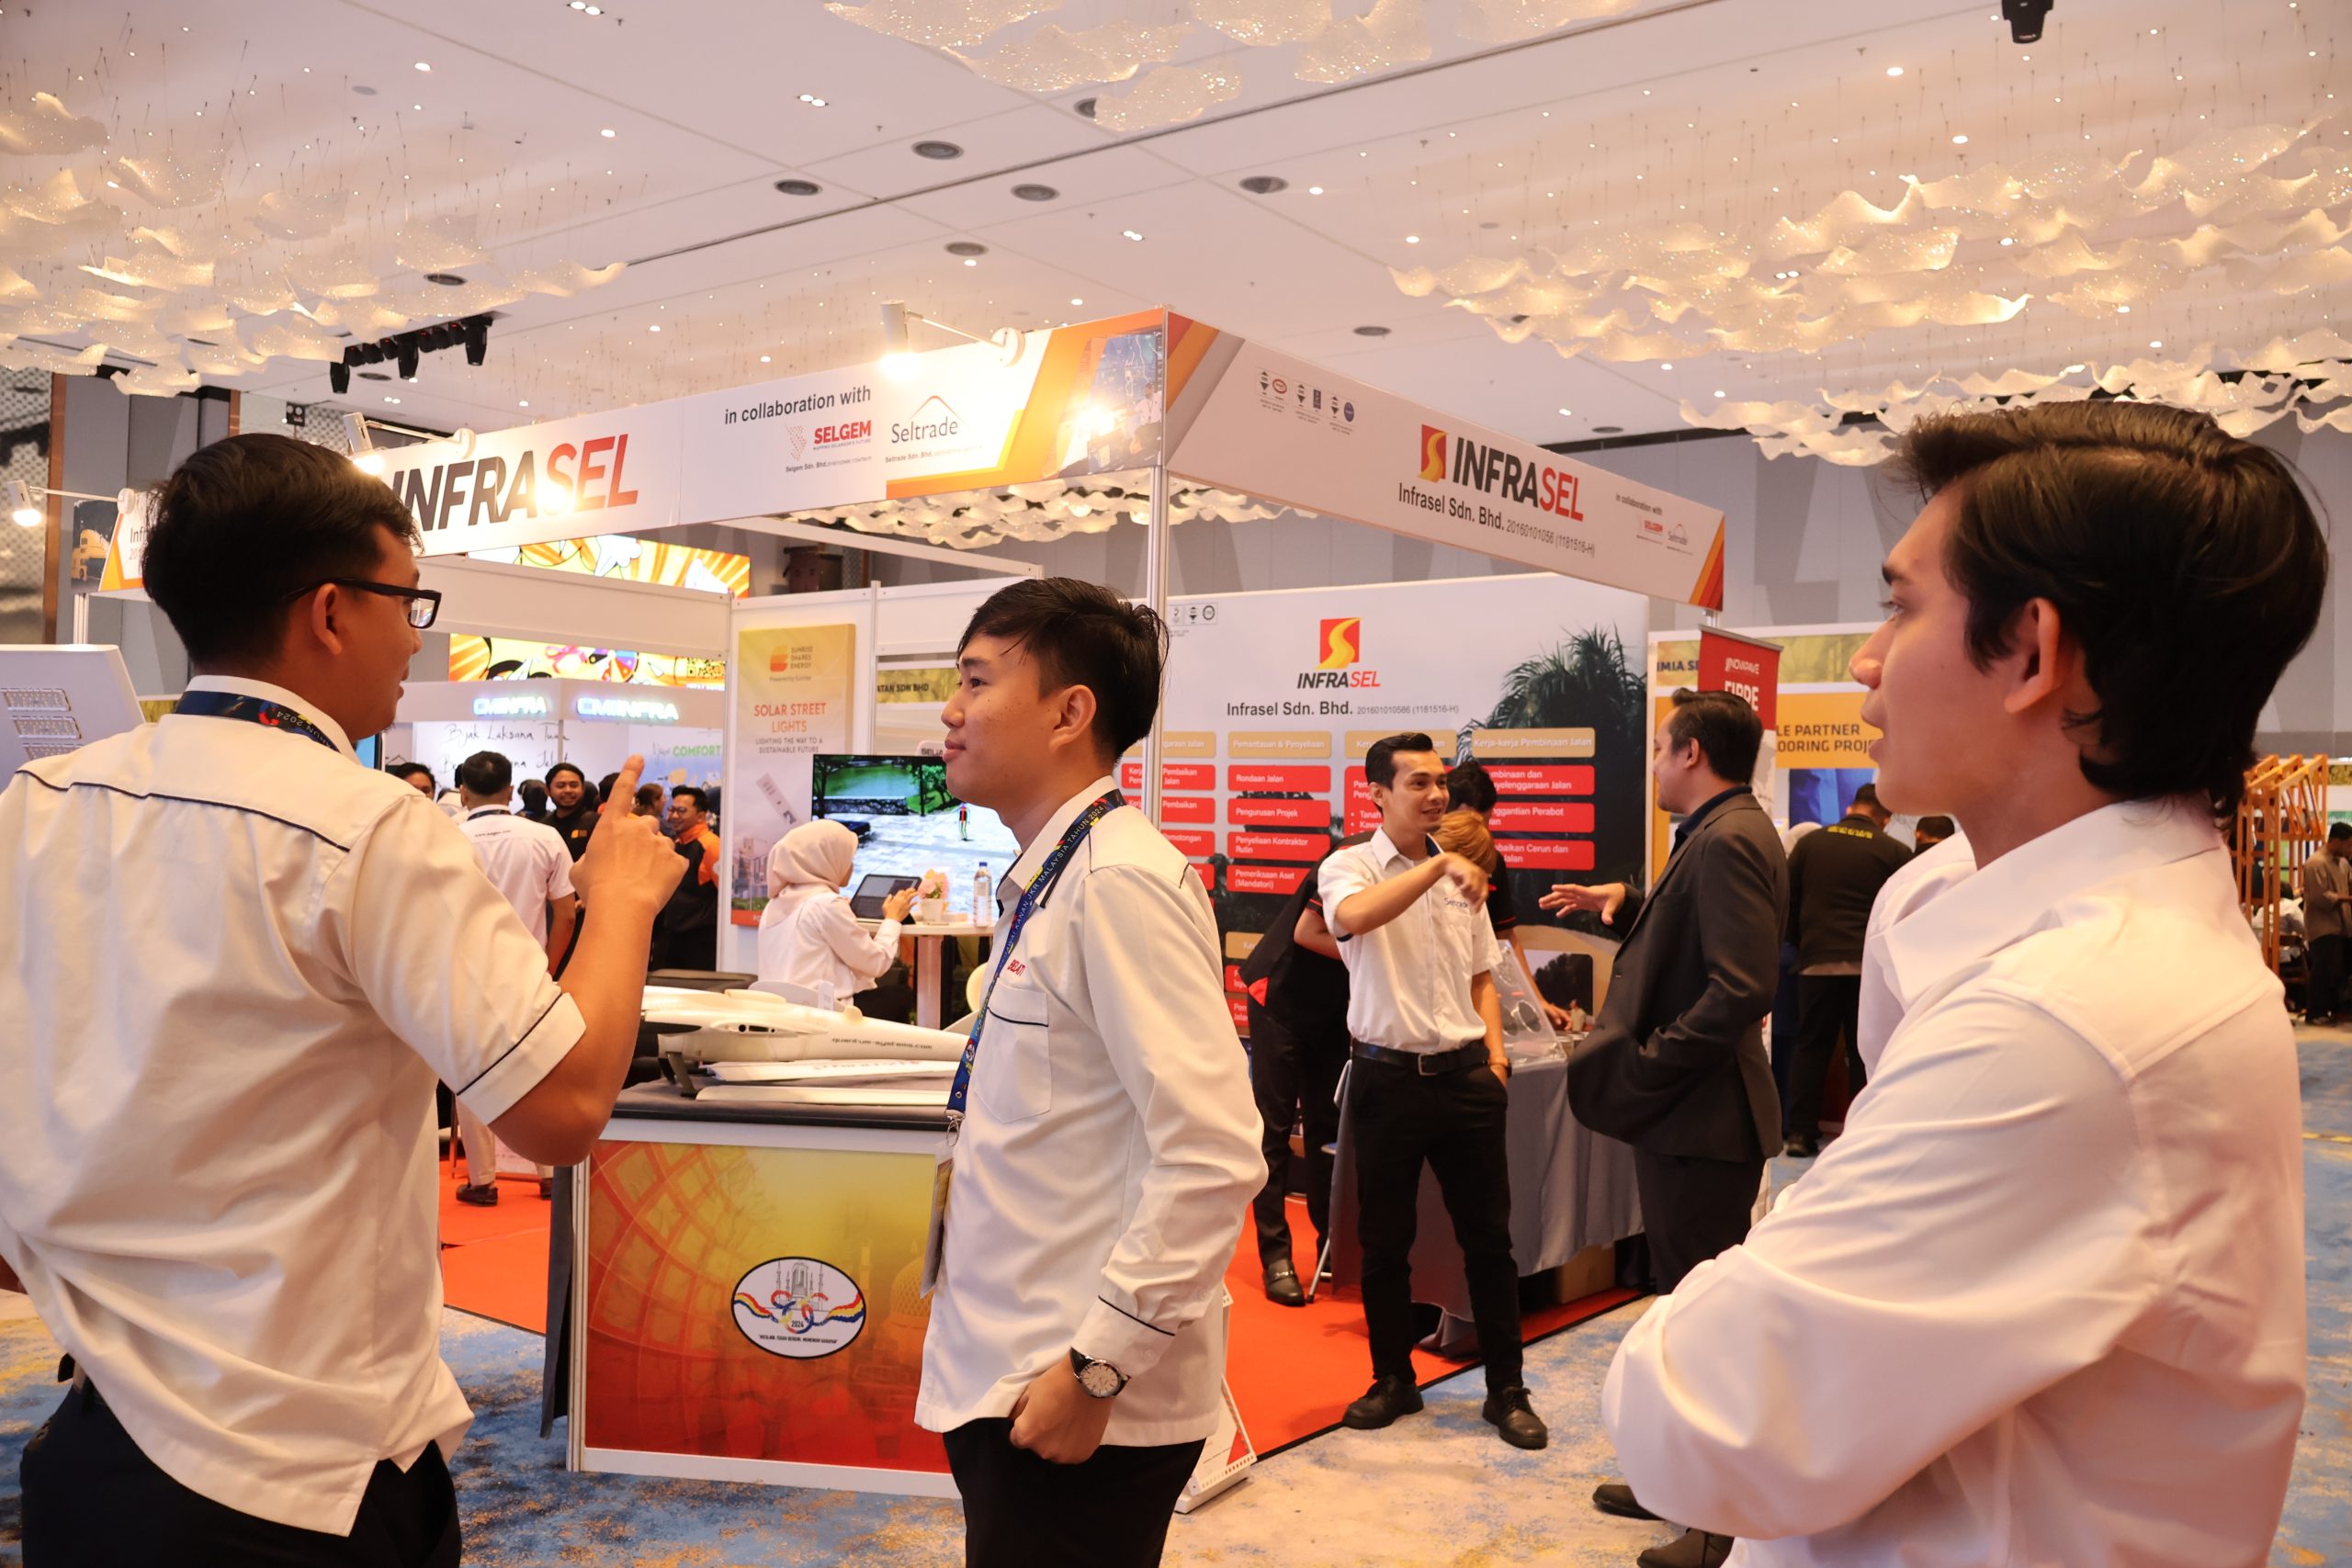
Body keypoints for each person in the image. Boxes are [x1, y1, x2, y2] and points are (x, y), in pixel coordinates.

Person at [1600, 401, 2324, 1567]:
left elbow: (1701, 1425)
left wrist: (1727, 1289)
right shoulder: (2019, 919)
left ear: (2030, 652)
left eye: (1900, 607)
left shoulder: (2062, 1020)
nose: (1866, 661)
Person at [0, 432, 684, 1564]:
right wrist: (618, 900)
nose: (415, 638)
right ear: (329, 611)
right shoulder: (365, 825)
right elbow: (561, 1110)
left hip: (94, 1436)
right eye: (408, 603)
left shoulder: (41, 799)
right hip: (295, 1465)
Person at [915, 577, 1261, 1568]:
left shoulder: (1117, 881)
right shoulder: (1058, 872)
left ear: (1070, 713)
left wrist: (1098, 1366)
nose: (950, 711)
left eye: (977, 682)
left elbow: (1213, 1151)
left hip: (1071, 1392)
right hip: (1017, 1360)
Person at [1543, 687, 1785, 1568]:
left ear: (1691, 753)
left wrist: (1649, 1065)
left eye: (1657, 748)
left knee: (1706, 1323)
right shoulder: (1723, 831)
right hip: (1695, 1117)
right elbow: (1702, 934)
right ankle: (1680, 1485)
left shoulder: (1728, 838)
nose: (1651, 764)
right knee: (1685, 1310)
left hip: (1703, 1119)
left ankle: (1719, 1522)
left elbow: (1740, 987)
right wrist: (1631, 898)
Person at [1318, 733, 1548, 1452]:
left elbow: (1483, 975)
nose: (1436, 793)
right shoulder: (1348, 866)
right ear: (1378, 794)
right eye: (1417, 782)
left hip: (1466, 1078)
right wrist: (1439, 865)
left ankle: (1507, 1388)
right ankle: (1393, 1379)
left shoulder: (1462, 876)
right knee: (1385, 1242)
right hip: (1385, 1078)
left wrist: (1497, 1058)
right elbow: (1354, 917)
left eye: (1440, 781)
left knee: (1490, 1242)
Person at [1235, 831, 1366, 1307]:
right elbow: (1307, 933)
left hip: (1331, 1009)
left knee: (1328, 1127)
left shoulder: (1423, 869)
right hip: (1280, 998)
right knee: (1273, 1128)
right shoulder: (1353, 856)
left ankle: (1331, 1245)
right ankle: (1275, 1255)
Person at [450, 750, 579, 1206]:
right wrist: (549, 965)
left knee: (469, 1071)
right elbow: (567, 913)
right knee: (537, 1068)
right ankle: (549, 1174)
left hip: (465, 973)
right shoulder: (544, 836)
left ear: (463, 792)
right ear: (511, 790)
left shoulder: (448, 837)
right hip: (530, 972)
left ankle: (482, 1180)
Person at [1779, 781, 1911, 1157]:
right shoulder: (1895, 851)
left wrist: (1803, 945)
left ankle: (1800, 1135)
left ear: (1852, 807)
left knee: (1811, 1048)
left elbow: (1788, 900)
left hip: (1816, 963)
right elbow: (1899, 913)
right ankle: (1859, 1135)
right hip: (1868, 970)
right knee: (1864, 1052)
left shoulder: (1811, 844)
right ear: (1884, 817)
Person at [1446, 760, 1575, 1031]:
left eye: (1485, 822)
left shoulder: (1493, 862)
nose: (1479, 832)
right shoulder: (1416, 861)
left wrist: (1537, 1000)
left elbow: (1505, 937)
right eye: (1469, 821)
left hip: (1478, 993)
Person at [757, 820, 917, 1001]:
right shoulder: (826, 904)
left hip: (780, 1010)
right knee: (899, 997)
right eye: (848, 858)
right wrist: (893, 920)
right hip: (823, 1013)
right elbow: (875, 963)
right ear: (826, 859)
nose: (851, 866)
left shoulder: (775, 903)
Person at [654, 785, 722, 971]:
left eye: (682, 811)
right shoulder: (675, 844)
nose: (674, 816)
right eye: (672, 810)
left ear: (700, 816)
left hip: (699, 943)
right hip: (672, 937)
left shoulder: (711, 846)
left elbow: (724, 895)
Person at [2303, 820, 2350, 1025]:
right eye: (2349, 844)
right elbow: (2319, 897)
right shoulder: (2316, 863)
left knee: (2338, 970)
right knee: (2323, 970)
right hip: (2322, 925)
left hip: (2343, 925)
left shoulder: (2344, 863)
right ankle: (2315, 1013)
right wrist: (2345, 899)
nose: (2350, 849)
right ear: (2336, 841)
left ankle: (2335, 1010)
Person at [545, 762, 598, 862]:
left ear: (583, 789)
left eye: (574, 785)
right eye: (560, 786)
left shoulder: (597, 823)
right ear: (547, 790)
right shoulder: (543, 826)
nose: (568, 790)